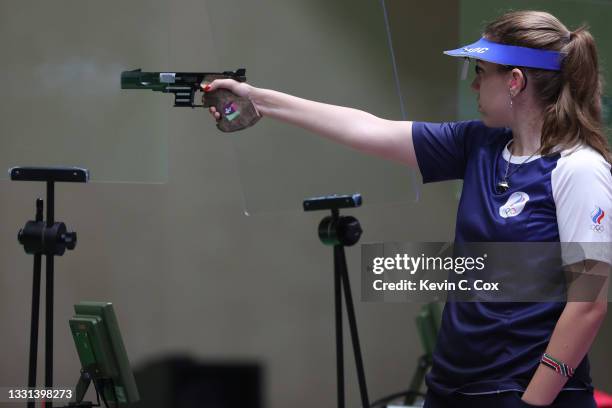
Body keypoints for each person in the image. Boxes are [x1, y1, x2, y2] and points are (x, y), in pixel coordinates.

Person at [203, 10, 611, 408]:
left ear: (515, 83)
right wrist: (258, 99)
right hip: (451, 387)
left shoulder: (579, 168)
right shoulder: (479, 144)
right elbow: (366, 128)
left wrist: (534, 401)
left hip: (522, 393)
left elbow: (588, 304)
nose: (474, 86)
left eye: (481, 73)